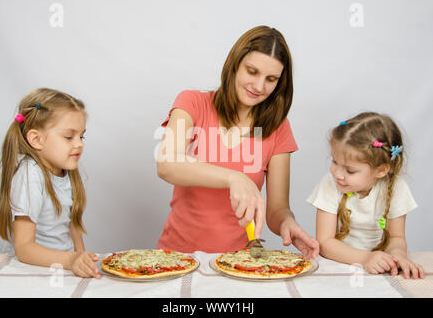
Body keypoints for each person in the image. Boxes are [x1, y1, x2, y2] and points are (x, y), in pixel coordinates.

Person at [156, 25, 319, 257]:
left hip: (239, 262)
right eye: (252, 71)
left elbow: (277, 210)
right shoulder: (192, 102)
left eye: (271, 79)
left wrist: (287, 223)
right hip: (179, 257)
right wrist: (234, 177)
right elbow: (167, 164)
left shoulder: (278, 128)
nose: (259, 87)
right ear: (234, 64)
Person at [0, 87, 101, 279]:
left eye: (81, 136)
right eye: (69, 137)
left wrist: (81, 258)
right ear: (36, 139)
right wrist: (71, 260)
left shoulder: (67, 171)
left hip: (62, 269)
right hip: (32, 270)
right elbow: (24, 248)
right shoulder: (31, 175)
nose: (79, 144)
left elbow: (73, 226)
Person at [308, 112, 424, 279]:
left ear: (381, 170)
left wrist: (397, 255)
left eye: (350, 170)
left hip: (379, 271)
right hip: (338, 267)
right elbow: (325, 242)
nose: (338, 174)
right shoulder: (330, 183)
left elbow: (397, 237)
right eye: (334, 161)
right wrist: (366, 258)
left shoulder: (397, 187)